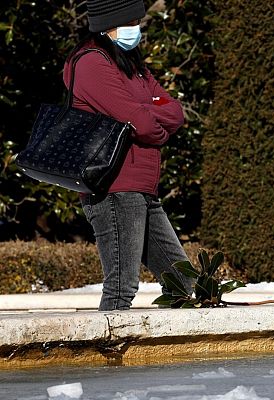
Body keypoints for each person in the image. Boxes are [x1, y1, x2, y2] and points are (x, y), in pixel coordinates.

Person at [65, 0, 193, 310]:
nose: (136, 29)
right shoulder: (91, 64)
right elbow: (143, 121)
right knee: (121, 288)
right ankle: (104, 355)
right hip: (114, 189)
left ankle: (163, 355)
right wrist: (150, 115)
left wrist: (147, 115)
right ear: (109, 24)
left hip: (142, 188)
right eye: (131, 22)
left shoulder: (131, 64)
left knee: (182, 281)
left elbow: (174, 112)